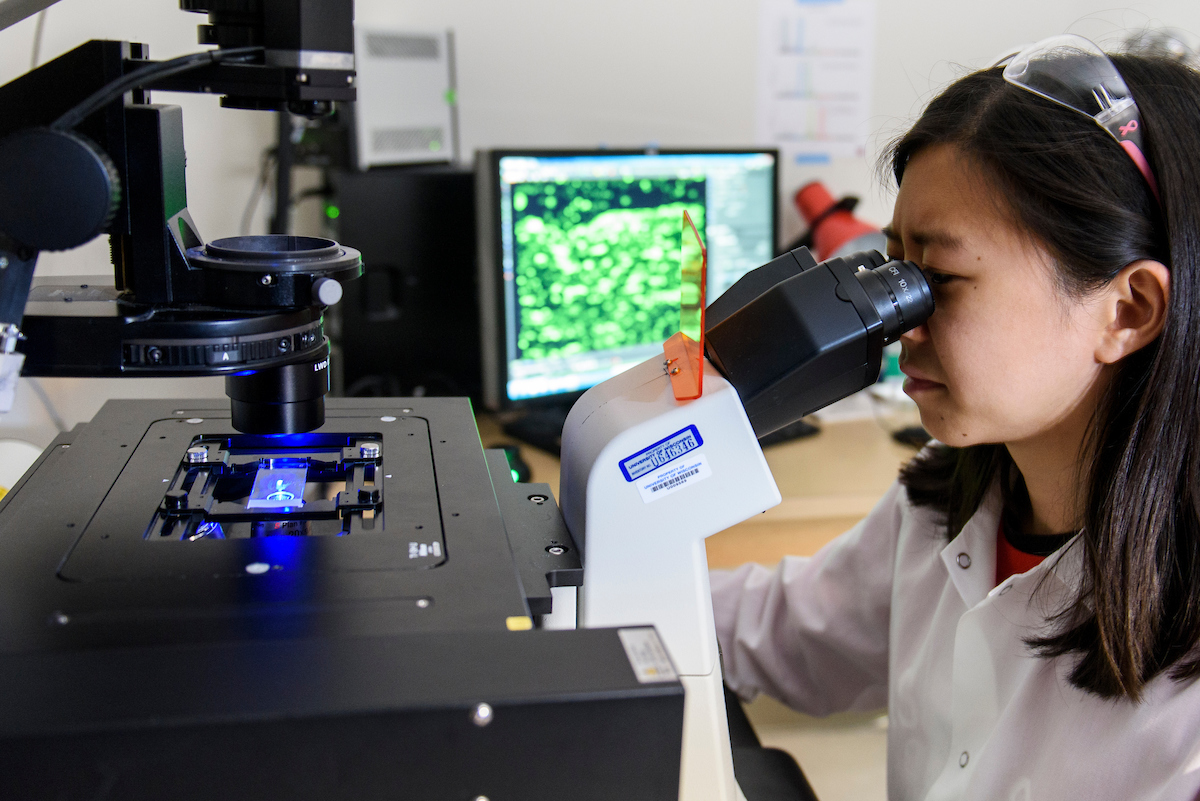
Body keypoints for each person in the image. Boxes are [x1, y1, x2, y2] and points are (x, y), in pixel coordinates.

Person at [711, 36, 1200, 800]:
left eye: (937, 277)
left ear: (1128, 309)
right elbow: (780, 632)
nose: (898, 322)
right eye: (895, 266)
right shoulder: (951, 509)